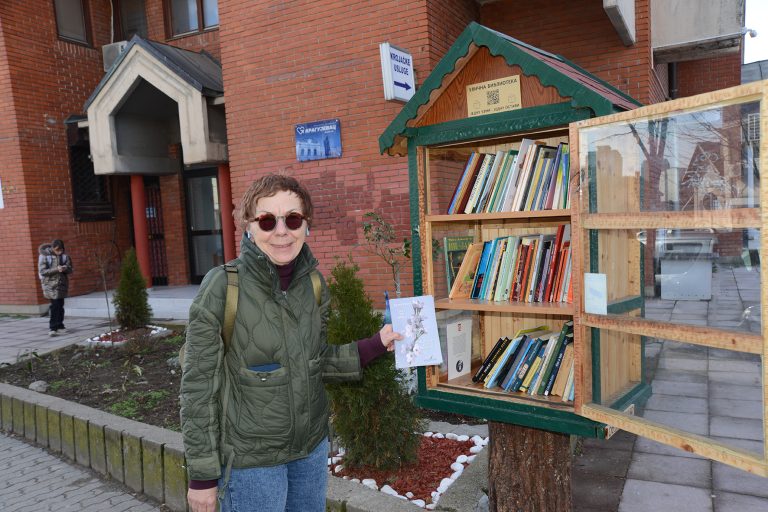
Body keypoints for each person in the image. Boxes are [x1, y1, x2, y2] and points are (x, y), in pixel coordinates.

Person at [180, 174, 402, 512]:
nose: (281, 231)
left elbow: (315, 361)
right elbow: (198, 387)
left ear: (306, 226)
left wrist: (375, 344)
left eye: (292, 219)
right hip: (252, 465)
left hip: (309, 453)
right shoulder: (222, 286)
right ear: (249, 228)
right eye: (268, 221)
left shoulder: (313, 284)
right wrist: (202, 478)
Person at [38, 239, 73, 336]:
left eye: (61, 249)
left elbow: (70, 269)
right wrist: (56, 269)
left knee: (60, 305)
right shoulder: (45, 256)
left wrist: (65, 268)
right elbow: (43, 271)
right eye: (57, 249)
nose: (59, 251)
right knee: (55, 305)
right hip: (50, 285)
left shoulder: (65, 257)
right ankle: (53, 327)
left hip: (61, 284)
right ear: (52, 248)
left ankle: (60, 325)